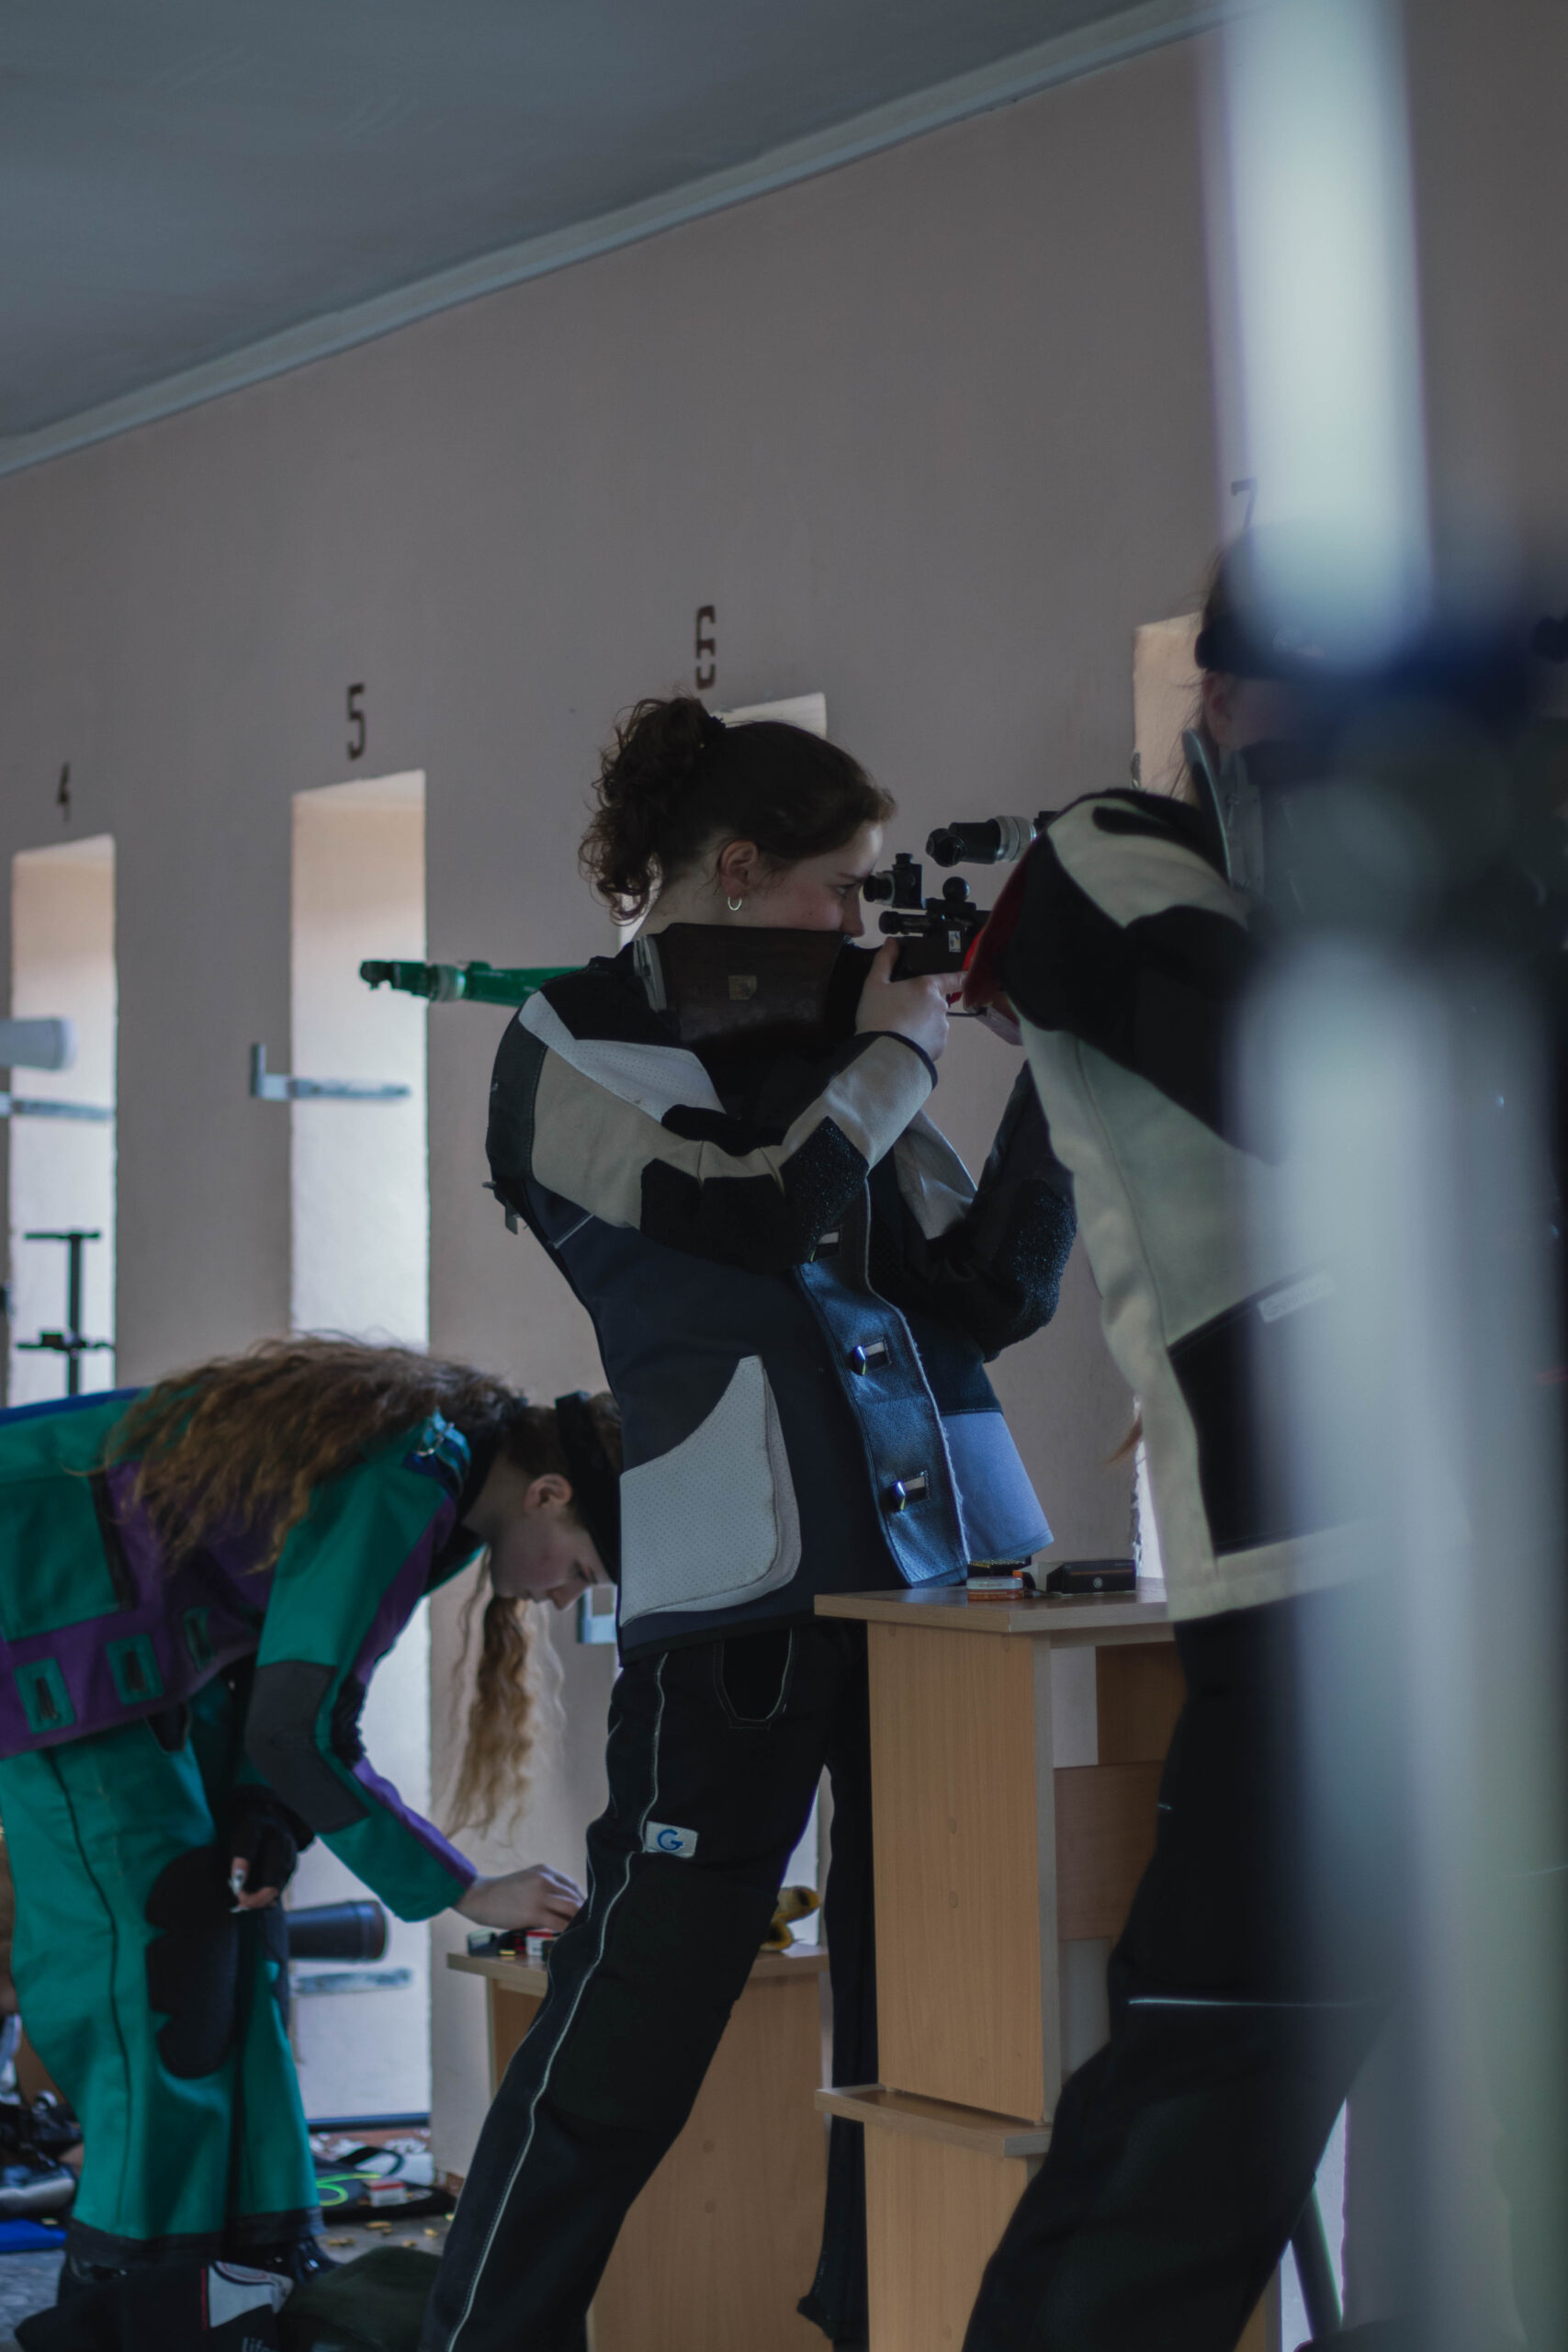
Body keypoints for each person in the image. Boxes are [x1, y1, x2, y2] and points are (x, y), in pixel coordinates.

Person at [421, 695, 1077, 2352]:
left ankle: (880, 2322)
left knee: (928, 2031)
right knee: (631, 2031)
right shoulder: (568, 1042)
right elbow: (753, 1208)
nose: (858, 926)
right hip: (739, 1602)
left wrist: (1067, 1066)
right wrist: (895, 1052)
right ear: (731, 868)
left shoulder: (836, 1049)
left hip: (947, 1588)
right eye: (834, 888)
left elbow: (987, 1293)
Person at [954, 539, 1416, 2350]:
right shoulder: (1108, 859)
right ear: (1214, 695)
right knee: (1208, 2106)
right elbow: (1288, 1076)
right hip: (1310, 1574)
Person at [0, 1338, 620, 2296]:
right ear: (547, 1493)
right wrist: (464, 1887)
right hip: (45, 1598)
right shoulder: (410, 1477)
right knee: (149, 1961)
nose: (565, 1594)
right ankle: (136, 2286)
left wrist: (264, 1810)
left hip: (137, 1630)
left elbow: (296, 1661)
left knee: (230, 1937)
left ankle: (256, 2252)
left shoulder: (447, 1482)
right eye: (581, 1567)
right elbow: (301, 1729)